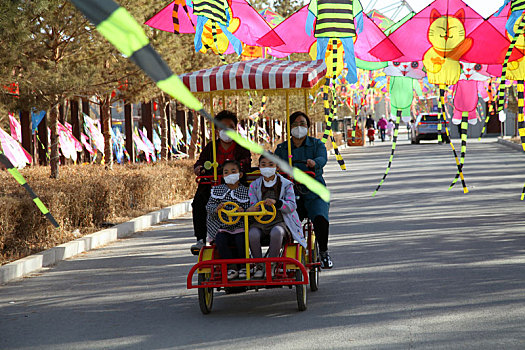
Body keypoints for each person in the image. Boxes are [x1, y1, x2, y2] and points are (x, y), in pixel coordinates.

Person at [274, 111, 333, 269]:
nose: (299, 127)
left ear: (308, 127)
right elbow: (274, 163)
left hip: (314, 192)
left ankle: (324, 253)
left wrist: (314, 163)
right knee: (283, 224)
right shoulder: (282, 148)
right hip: (290, 194)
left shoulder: (317, 144)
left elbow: (322, 158)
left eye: (302, 124)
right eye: (295, 124)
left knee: (320, 219)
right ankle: (284, 253)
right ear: (289, 127)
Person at [191, 110, 252, 254]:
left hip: (236, 185)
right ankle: (201, 238)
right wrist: (199, 168)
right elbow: (200, 162)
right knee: (199, 201)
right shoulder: (211, 147)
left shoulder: (242, 146)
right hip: (214, 186)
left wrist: (232, 168)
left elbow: (246, 162)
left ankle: (246, 232)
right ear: (217, 129)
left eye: (231, 126)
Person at [247, 154, 306, 278]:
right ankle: (258, 265)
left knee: (277, 232)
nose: (267, 168)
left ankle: (271, 264)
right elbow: (251, 203)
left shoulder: (286, 184)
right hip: (259, 221)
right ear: (259, 167)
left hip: (280, 221)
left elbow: (291, 205)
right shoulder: (254, 185)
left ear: (277, 167)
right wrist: (252, 208)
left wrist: (277, 203)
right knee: (252, 234)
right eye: (263, 165)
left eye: (271, 164)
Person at [206, 160, 250, 280]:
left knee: (242, 241)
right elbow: (209, 206)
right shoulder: (217, 190)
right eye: (226, 172)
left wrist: (244, 210)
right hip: (222, 227)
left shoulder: (246, 191)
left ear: (240, 174)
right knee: (220, 241)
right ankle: (231, 267)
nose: (230, 174)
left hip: (240, 226)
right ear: (223, 175)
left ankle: (244, 266)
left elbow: (252, 206)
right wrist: (216, 209)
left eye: (233, 171)